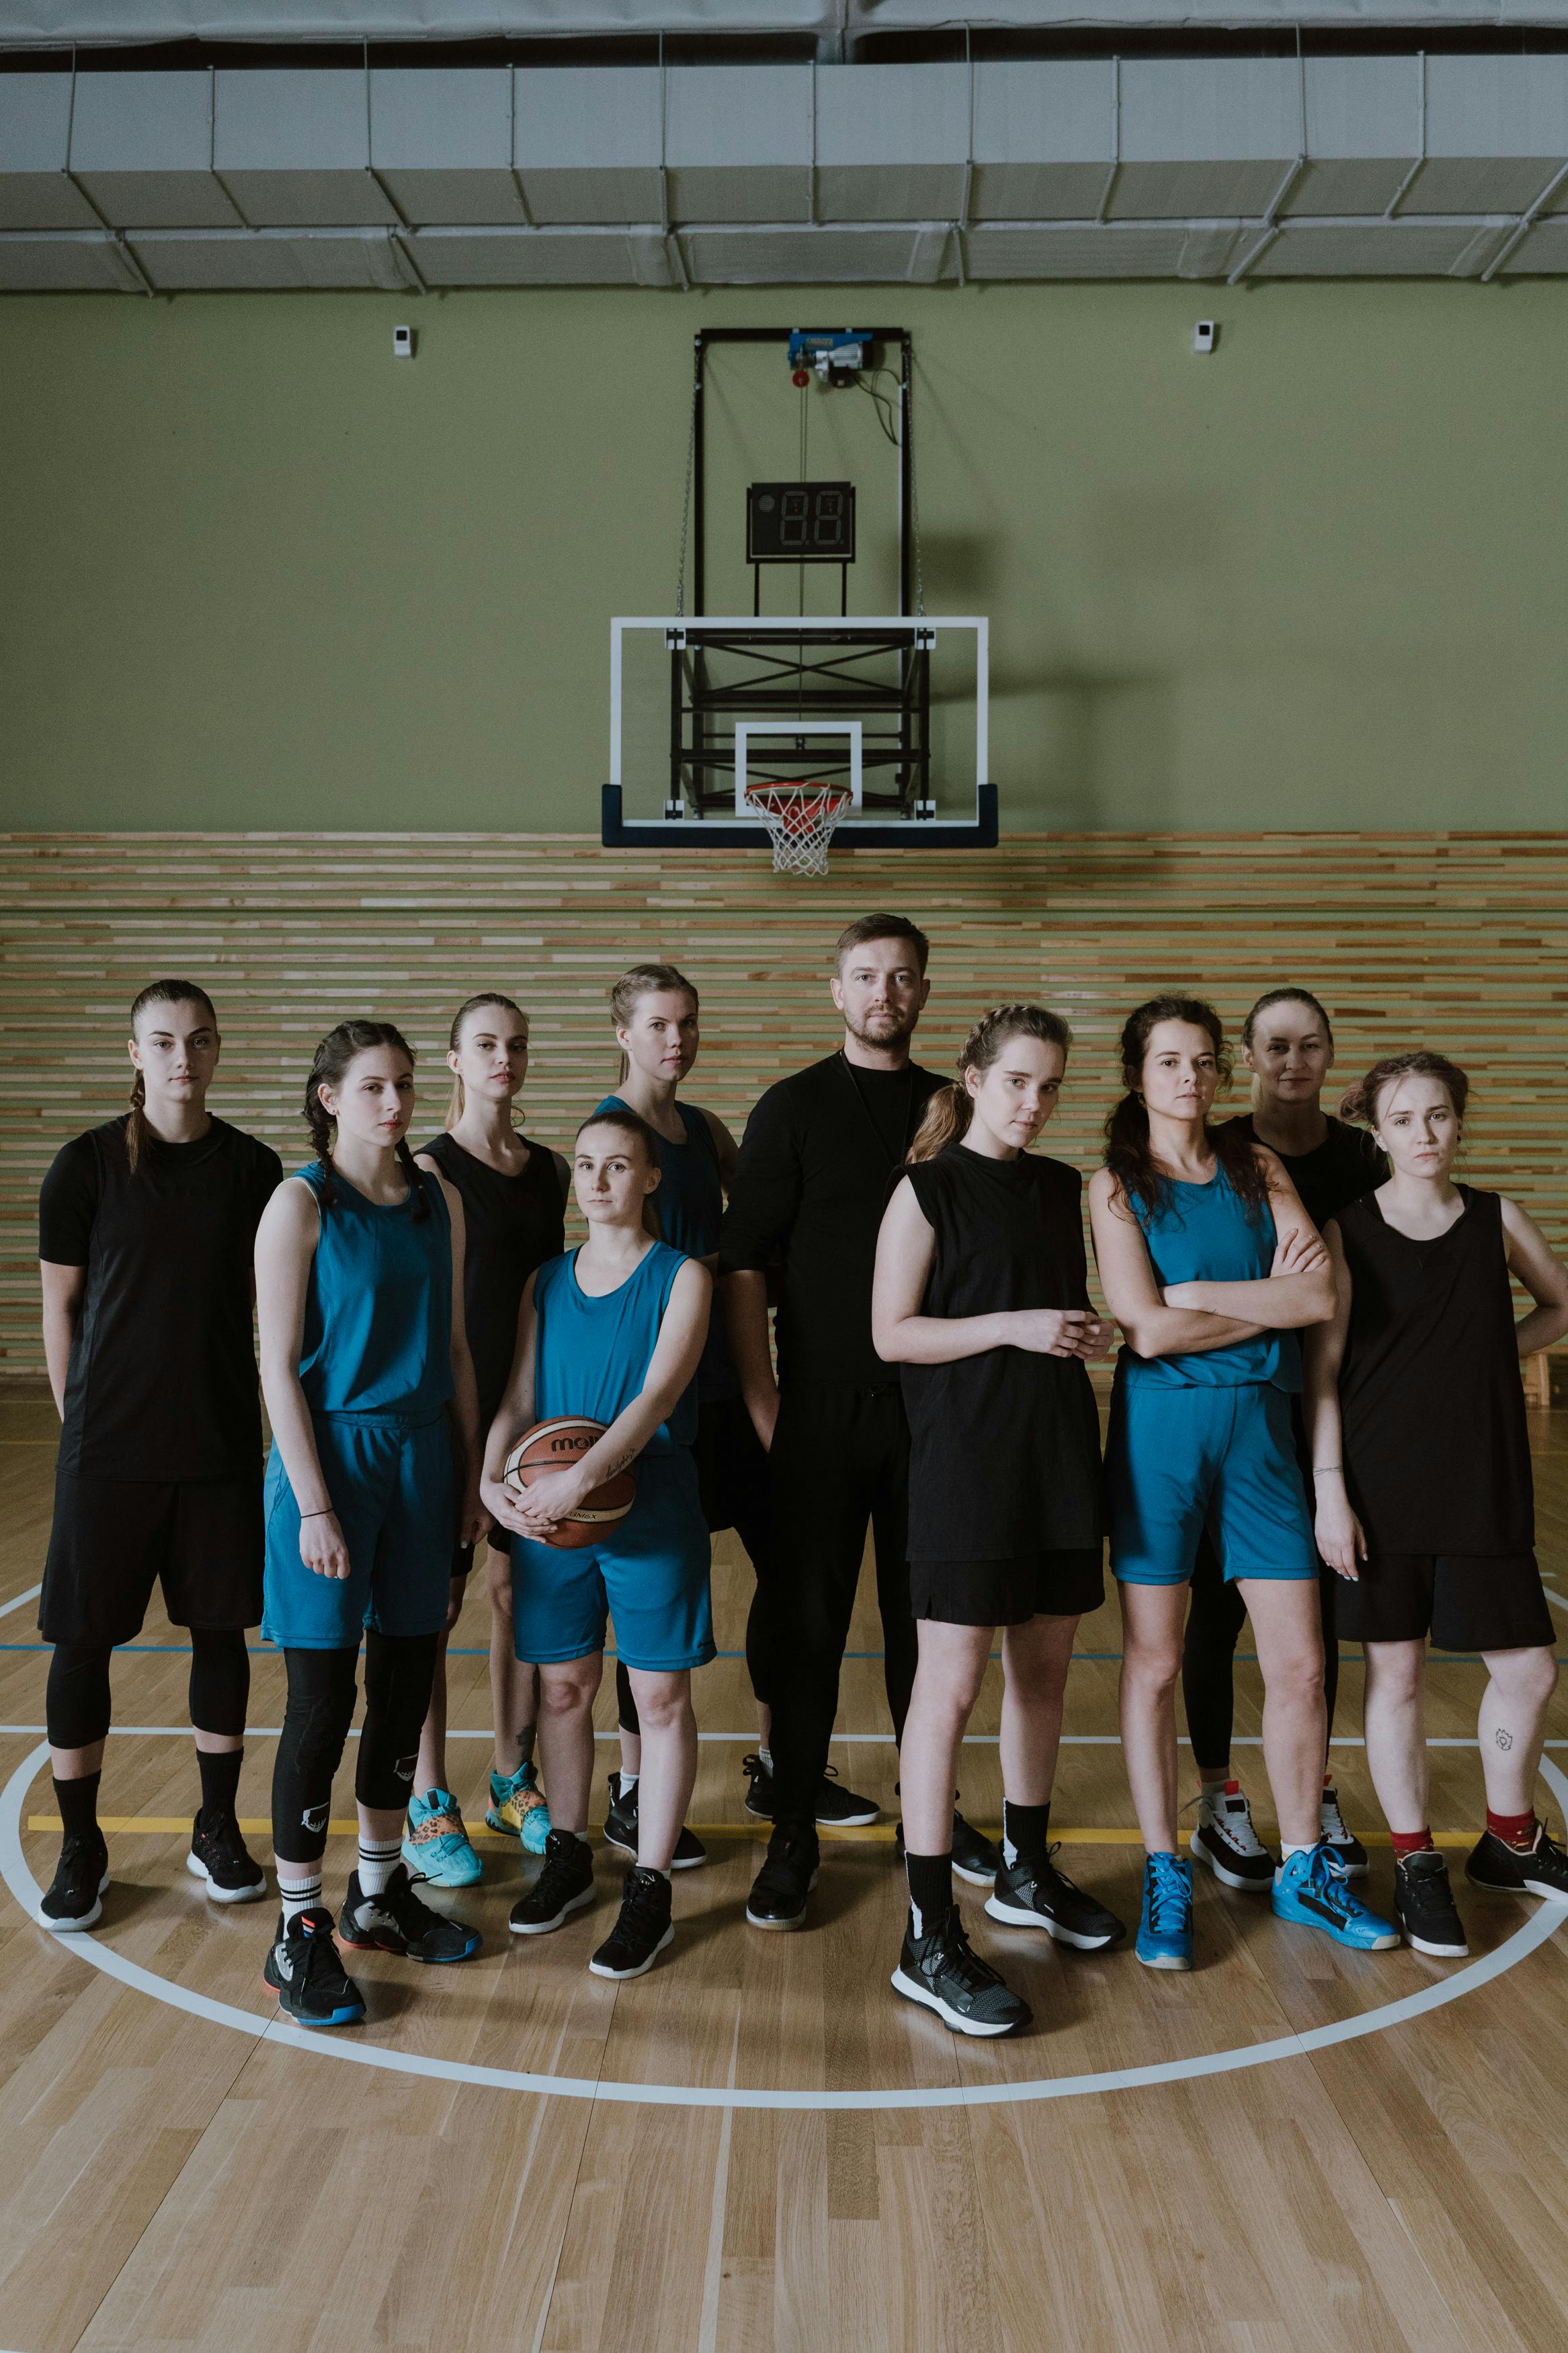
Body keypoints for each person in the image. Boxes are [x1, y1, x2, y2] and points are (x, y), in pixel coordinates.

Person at [1089, 994, 1399, 1970]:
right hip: (1161, 1441)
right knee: (1153, 1664)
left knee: (1301, 1666)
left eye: (1202, 1063)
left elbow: (1320, 1295)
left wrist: (1204, 1300)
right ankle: (1162, 1868)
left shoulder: (1253, 1165)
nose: (1188, 1078)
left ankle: (1304, 1865)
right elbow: (1142, 1328)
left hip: (1262, 1435)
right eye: (1168, 1062)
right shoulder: (1111, 1187)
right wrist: (1259, 1310)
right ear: (1137, 1074)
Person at [720, 912, 997, 1937]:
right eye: (866, 977)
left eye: (903, 978)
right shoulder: (790, 1107)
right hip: (820, 1413)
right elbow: (744, 1263)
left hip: (937, 1415)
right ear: (836, 991)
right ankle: (792, 1826)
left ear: (924, 992)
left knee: (930, 1634)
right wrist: (765, 1401)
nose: (885, 993)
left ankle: (933, 1816)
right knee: (806, 1631)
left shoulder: (952, 1107)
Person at [595, 962, 878, 1869]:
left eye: (686, 1024)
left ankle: (777, 1763)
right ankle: (633, 1793)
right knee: (649, 1605)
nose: (675, 1040)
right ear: (622, 1033)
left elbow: (756, 1226)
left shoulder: (710, 1130)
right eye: (657, 1025)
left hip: (731, 1387)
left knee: (792, 1578)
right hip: (657, 1405)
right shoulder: (611, 1134)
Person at [873, 1006, 1121, 2037]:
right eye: (1016, 1081)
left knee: (1044, 1674)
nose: (1033, 1103)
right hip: (964, 1470)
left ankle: (1023, 1871)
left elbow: (1052, 1309)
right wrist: (1017, 1326)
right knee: (952, 1687)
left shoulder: (1062, 1187)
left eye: (1050, 1086)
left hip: (1054, 1454)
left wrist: (1081, 1329)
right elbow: (891, 1334)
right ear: (973, 1079)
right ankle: (926, 1934)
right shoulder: (924, 1189)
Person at [1305, 1050, 1568, 1956]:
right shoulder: (1345, 1230)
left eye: (1439, 1115)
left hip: (1480, 1477)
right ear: (1374, 1131)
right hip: (1378, 1484)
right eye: (1405, 1118)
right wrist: (1330, 1494)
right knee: (1398, 1677)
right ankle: (1415, 1861)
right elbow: (1324, 1370)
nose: (1424, 1132)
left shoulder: (1495, 1219)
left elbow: (1559, 1305)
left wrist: (1494, 1357)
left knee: (1529, 1668)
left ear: (1459, 1122)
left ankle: (1506, 1839)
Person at [35, 980, 281, 1931]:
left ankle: (215, 1826)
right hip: (108, 1452)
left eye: (201, 1040)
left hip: (218, 1447)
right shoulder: (84, 1166)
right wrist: (80, 1421)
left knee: (219, 1637)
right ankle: (82, 1844)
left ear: (218, 1052)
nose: (185, 1057)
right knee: (81, 1643)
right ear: (135, 1054)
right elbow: (61, 1306)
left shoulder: (255, 1170)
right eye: (165, 1041)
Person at [255, 1020, 486, 2029]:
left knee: (404, 1685)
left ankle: (378, 1892)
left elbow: (460, 1349)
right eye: (371, 1089)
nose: (393, 1106)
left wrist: (471, 1479)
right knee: (321, 1702)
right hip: (332, 1459)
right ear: (329, 1098)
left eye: (400, 1087)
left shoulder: (442, 1198)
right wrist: (312, 1503)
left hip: (425, 1458)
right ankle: (297, 1928)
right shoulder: (298, 1205)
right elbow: (273, 1368)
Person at [481, 1107, 712, 1981]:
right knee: (566, 1688)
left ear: (649, 1179)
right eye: (584, 1166)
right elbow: (515, 1399)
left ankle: (648, 1888)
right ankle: (569, 1857)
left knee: (657, 1701)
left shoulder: (682, 1276)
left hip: (644, 1505)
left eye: (618, 1167)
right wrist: (490, 1482)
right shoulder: (544, 1282)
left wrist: (579, 1481)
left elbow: (656, 1397)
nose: (599, 1181)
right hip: (549, 1511)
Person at [1183, 987, 1386, 1892]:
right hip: (1237, 1394)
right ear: (1249, 1057)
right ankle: (1216, 1794)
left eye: (1309, 1045)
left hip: (1345, 1397)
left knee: (1317, 1614)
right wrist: (1259, 1298)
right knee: (1216, 1608)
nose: (1293, 1062)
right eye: (1274, 1046)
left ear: (1329, 1054)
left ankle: (1317, 1784)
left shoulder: (1365, 1159)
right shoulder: (1224, 1153)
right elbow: (1221, 1284)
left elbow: (1339, 1291)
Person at [407, 993, 569, 1884]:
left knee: (520, 1602)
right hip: (451, 1411)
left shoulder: (549, 1170)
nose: (502, 1057)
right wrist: (466, 1449)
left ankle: (512, 1779)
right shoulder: (428, 1171)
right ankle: (431, 1796)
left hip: (531, 1413)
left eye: (516, 1043)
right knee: (436, 1611)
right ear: (454, 1060)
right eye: (484, 1044)